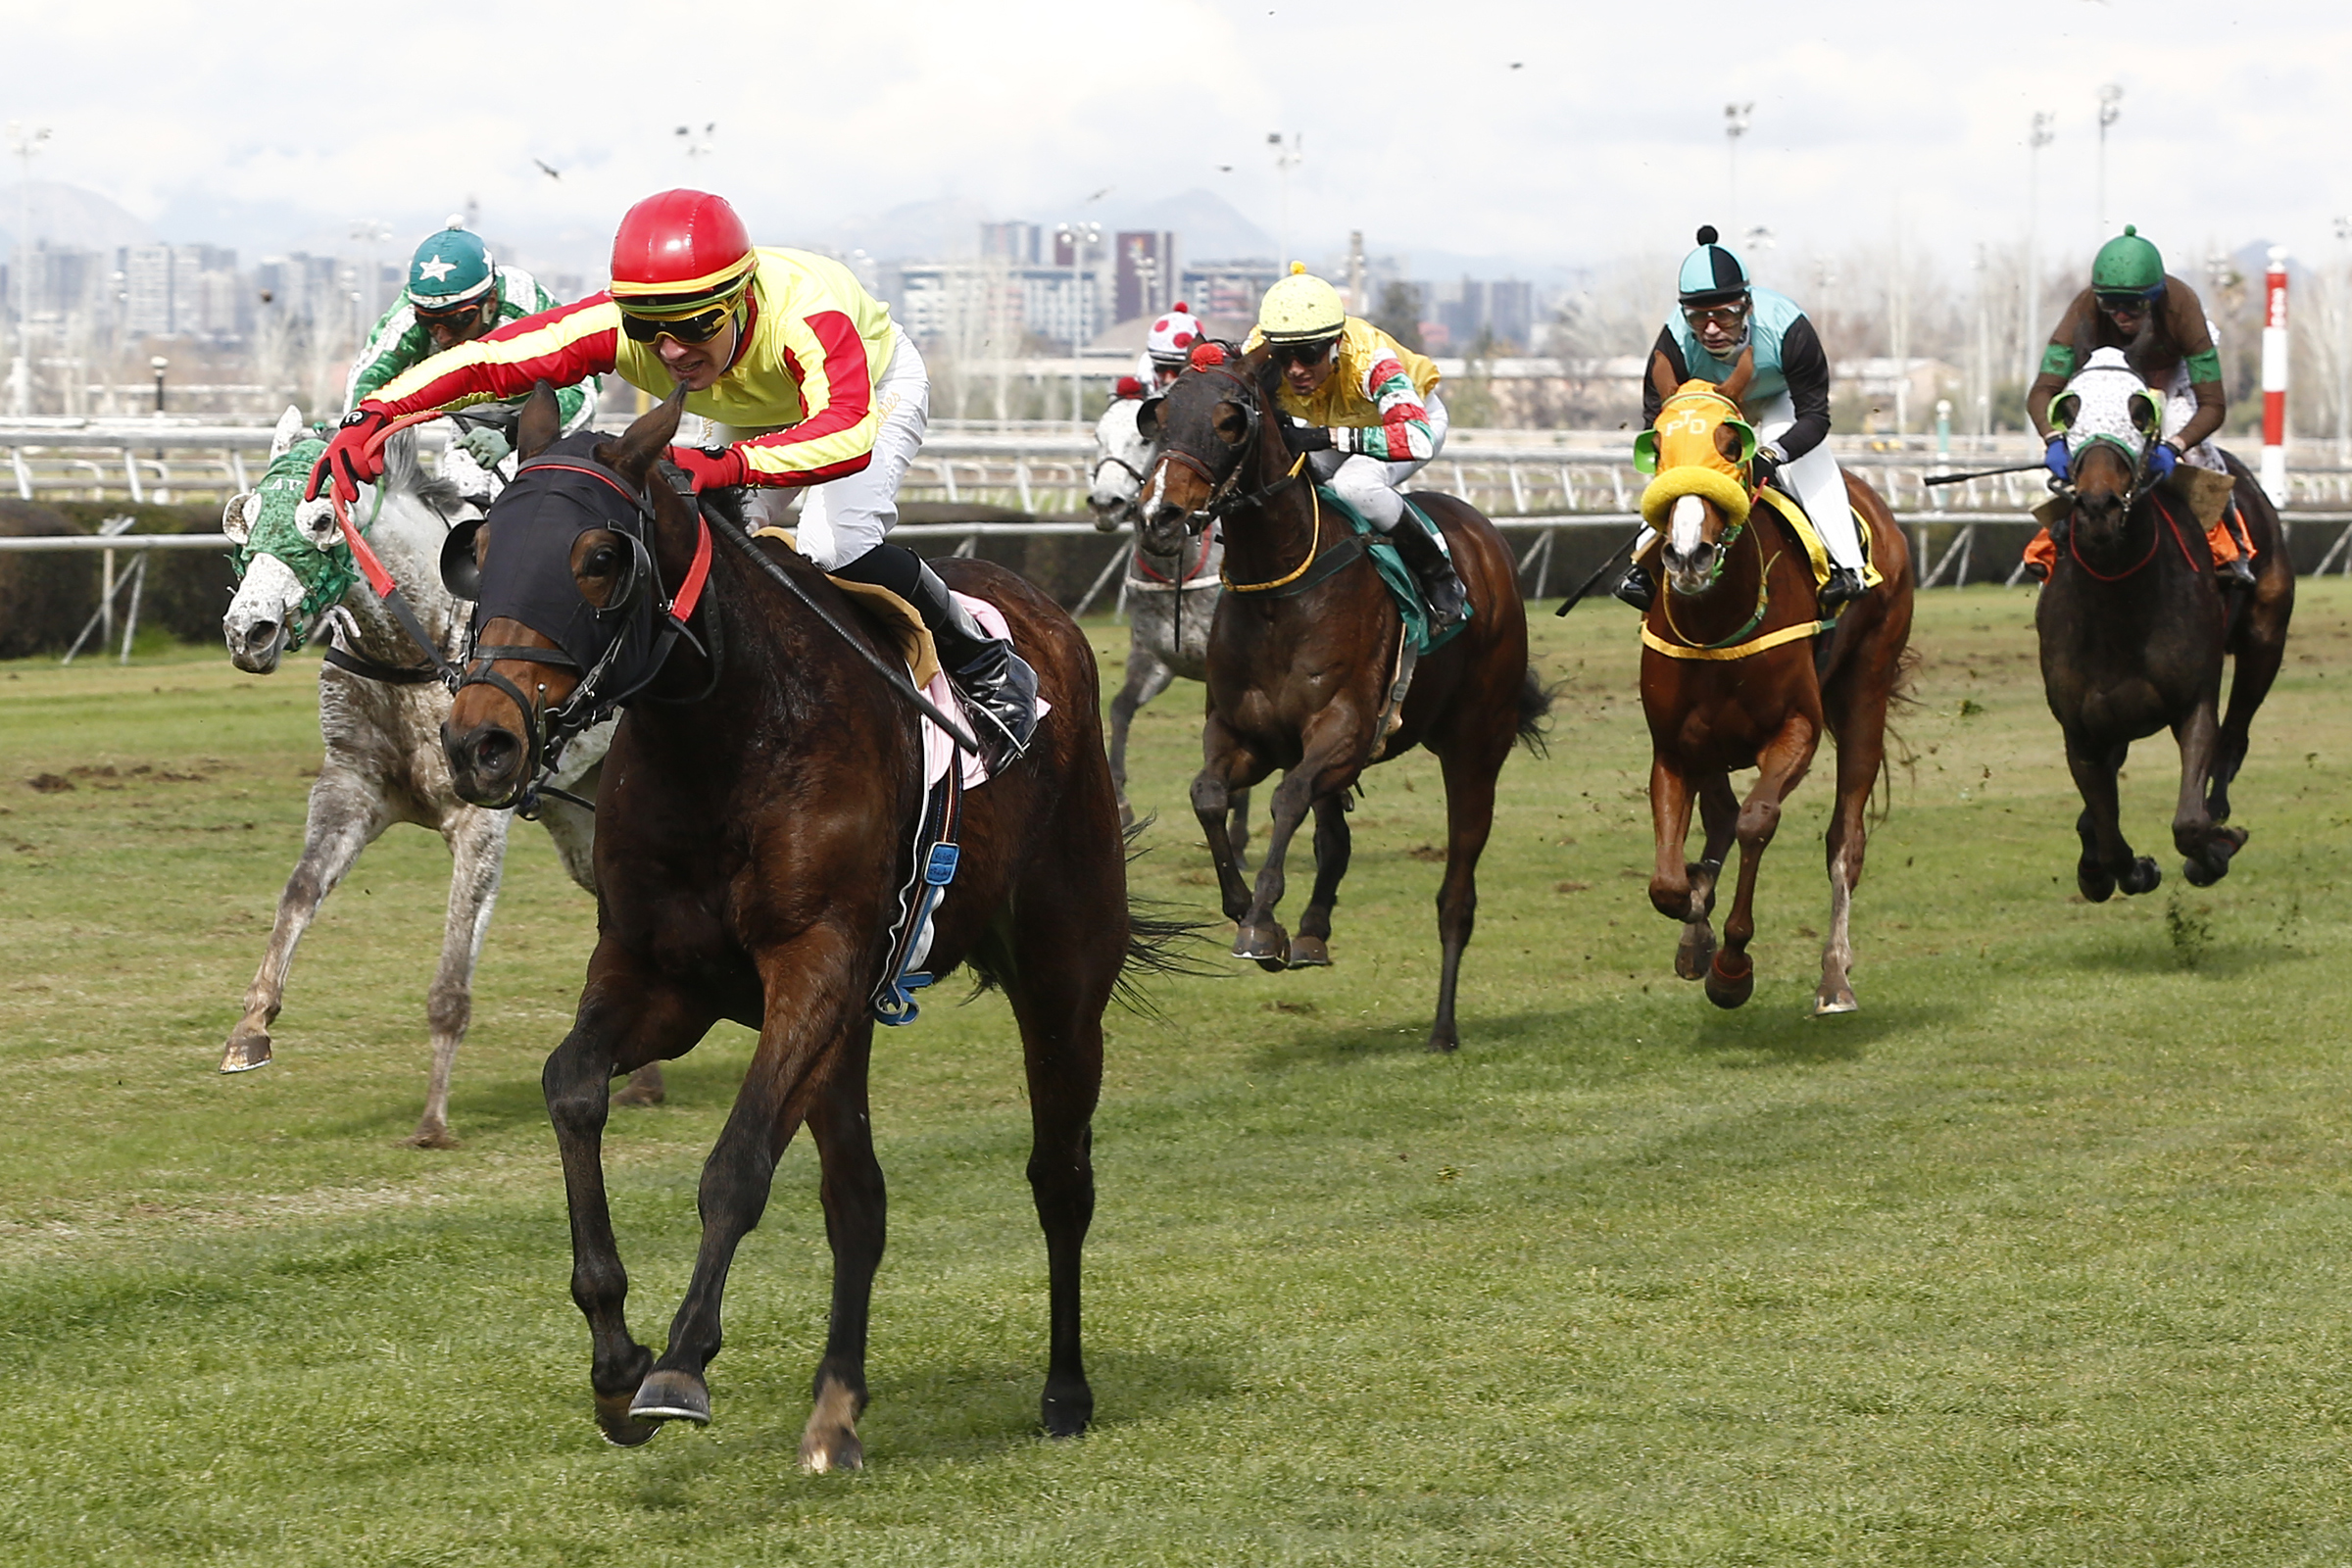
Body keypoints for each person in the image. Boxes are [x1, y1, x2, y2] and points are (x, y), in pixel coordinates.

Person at [310, 189, 1037, 762]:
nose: (671, 352)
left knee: (834, 543)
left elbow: (845, 433)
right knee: (707, 544)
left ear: (741, 300)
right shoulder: (627, 325)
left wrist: (731, 462)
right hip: (748, 405)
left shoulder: (806, 316)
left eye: (694, 326)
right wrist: (377, 415)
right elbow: (491, 360)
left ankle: (983, 660)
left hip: (867, 392)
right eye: (648, 330)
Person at [1618, 225, 1866, 614]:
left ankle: (1847, 566)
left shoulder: (1789, 328)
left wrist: (1772, 455)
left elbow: (1815, 417)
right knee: (1681, 458)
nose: (1711, 329)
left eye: (1725, 315)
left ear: (1747, 306)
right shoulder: (1672, 343)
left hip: (1779, 399)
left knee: (1792, 445)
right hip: (1708, 407)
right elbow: (1660, 428)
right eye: (1697, 318)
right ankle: (1642, 567)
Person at [1240, 263, 1466, 633]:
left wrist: (1326, 437)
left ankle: (1438, 575)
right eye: (1283, 356)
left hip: (1408, 424)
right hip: (1335, 422)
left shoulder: (1371, 360)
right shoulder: (1257, 351)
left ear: (1335, 345)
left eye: (1309, 354)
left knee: (1354, 486)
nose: (1294, 369)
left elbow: (1416, 439)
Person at [2024, 224, 2254, 587]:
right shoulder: (2084, 309)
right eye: (2110, 304)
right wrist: (2054, 440)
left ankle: (2230, 546)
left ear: (2156, 296)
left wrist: (2173, 446)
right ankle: (2050, 543)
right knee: (2084, 447)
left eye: (2133, 305)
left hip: (2172, 372)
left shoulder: (2182, 307)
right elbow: (2042, 392)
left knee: (2194, 448)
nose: (2120, 314)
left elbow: (2213, 406)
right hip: (2109, 376)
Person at [345, 219, 600, 485]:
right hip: (474, 411)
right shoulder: (406, 316)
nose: (442, 336)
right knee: (460, 494)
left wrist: (513, 434)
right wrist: (349, 436)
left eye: (456, 320)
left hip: (542, 410)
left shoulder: (526, 309)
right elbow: (367, 378)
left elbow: (582, 391)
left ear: (490, 302)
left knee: (530, 491)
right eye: (428, 322)